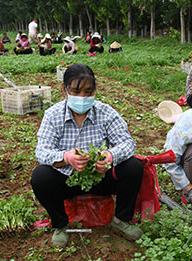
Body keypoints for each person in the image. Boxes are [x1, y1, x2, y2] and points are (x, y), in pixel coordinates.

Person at [31, 64, 144, 246]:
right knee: (40, 176)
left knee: (133, 167)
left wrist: (109, 156)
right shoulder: (53, 115)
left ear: (94, 91)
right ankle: (61, 224)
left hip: (101, 179)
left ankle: (121, 219)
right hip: (68, 181)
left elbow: (128, 143)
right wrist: (67, 158)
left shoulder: (105, 112)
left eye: (88, 91)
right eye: (76, 91)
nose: (82, 97)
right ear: (64, 90)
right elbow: (42, 152)